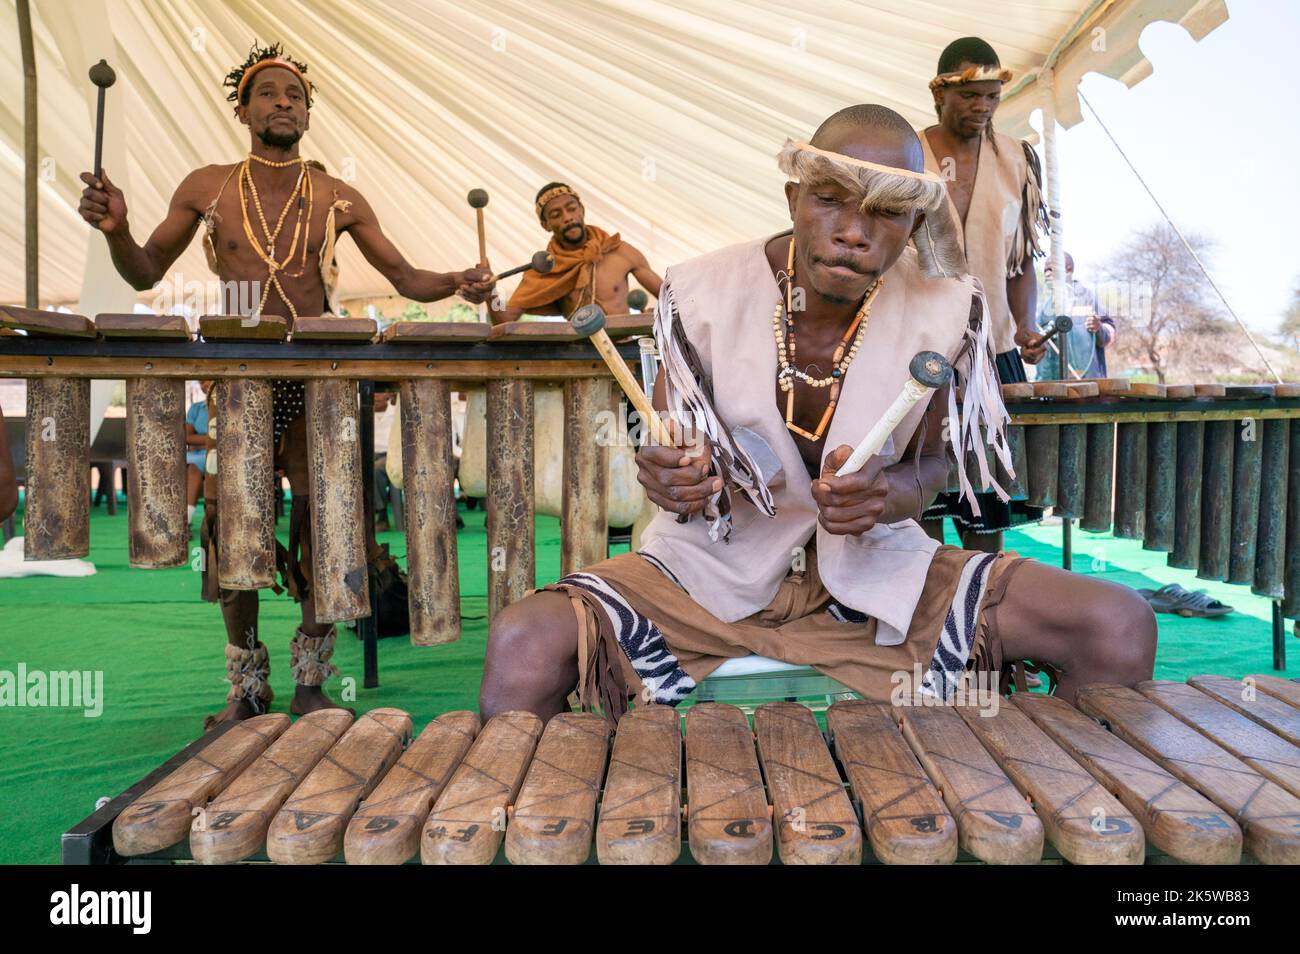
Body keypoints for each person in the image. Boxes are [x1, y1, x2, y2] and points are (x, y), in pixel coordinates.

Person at [478, 105, 1156, 724]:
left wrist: (888, 496)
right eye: (830, 201)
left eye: (887, 212)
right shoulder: (701, 290)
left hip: (875, 579)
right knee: (524, 641)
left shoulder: (947, 307)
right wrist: (666, 474)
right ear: (794, 199)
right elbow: (664, 435)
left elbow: (932, 464)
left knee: (1116, 623)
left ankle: (1042, 815)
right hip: (708, 570)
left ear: (915, 222)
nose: (854, 232)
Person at [77, 41, 495, 730]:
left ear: (307, 113)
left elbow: (406, 280)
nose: (283, 102)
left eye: (295, 96)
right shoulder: (207, 184)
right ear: (242, 108)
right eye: (268, 92)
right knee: (232, 524)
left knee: (325, 521)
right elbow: (147, 270)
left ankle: (310, 678)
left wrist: (457, 282)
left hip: (317, 378)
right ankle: (245, 681)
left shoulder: (337, 195)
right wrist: (118, 229)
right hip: (239, 378)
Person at [918, 36, 1048, 552]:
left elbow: (1021, 264)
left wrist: (1028, 325)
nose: (983, 107)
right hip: (918, 352)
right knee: (923, 495)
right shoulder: (909, 155)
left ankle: (975, 616)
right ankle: (923, 610)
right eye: (971, 95)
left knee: (985, 506)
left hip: (994, 353)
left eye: (991, 96)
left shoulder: (1017, 159)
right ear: (939, 95)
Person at [487, 182, 662, 322]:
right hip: (581, 357)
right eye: (556, 214)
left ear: (582, 210)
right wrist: (490, 293)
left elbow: (669, 298)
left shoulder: (621, 251)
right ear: (546, 225)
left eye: (571, 208)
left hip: (627, 353)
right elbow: (503, 320)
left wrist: (659, 314)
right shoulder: (544, 270)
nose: (567, 217)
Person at [1038, 253, 1116, 380]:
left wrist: (1099, 328)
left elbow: (1109, 336)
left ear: (1068, 269)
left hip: (1089, 383)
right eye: (1045, 270)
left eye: (1051, 269)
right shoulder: (1045, 307)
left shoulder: (1087, 297)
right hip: (1056, 385)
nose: (1047, 274)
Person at [184, 380, 212, 528]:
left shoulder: (229, 407)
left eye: (207, 381)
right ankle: (183, 520)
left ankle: (186, 521)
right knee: (190, 469)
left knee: (195, 469)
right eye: (201, 382)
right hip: (195, 456)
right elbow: (187, 437)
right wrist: (212, 440)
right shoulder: (196, 408)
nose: (204, 385)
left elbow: (227, 439)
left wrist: (199, 441)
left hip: (219, 456)